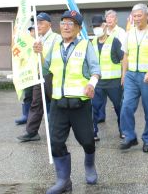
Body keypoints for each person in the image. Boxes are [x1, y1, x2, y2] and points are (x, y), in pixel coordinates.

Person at [35, 10, 101, 193]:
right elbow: (45, 68)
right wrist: (39, 55)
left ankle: (89, 166)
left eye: (71, 24)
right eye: (63, 23)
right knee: (56, 143)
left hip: (80, 103)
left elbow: (96, 69)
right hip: (58, 103)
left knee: (87, 140)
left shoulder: (85, 45)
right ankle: (64, 180)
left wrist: (92, 84)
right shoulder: (55, 47)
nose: (66, 26)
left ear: (78, 28)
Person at [120, 3, 148, 152]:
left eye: (139, 15)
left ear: (147, 16)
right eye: (135, 16)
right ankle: (130, 136)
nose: (137, 18)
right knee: (126, 106)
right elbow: (125, 55)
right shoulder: (129, 33)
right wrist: (124, 74)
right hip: (131, 76)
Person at [17, 12, 61, 141]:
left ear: (49, 24)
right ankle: (31, 132)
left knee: (55, 104)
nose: (38, 25)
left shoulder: (56, 38)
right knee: (36, 103)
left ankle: (58, 131)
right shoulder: (38, 38)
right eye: (36, 23)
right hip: (39, 75)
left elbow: (56, 58)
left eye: (41, 23)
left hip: (52, 75)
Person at [91, 14, 124, 141]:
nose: (96, 29)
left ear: (104, 26)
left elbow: (123, 59)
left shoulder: (114, 41)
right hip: (97, 82)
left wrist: (124, 76)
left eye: (98, 26)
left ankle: (123, 131)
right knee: (93, 107)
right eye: (94, 27)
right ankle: (93, 132)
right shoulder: (92, 42)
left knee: (119, 107)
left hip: (113, 82)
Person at [14, 24, 36, 125]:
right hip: (29, 74)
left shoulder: (43, 41)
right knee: (28, 95)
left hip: (42, 74)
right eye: (31, 30)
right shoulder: (25, 43)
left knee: (46, 97)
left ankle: (49, 117)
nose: (32, 32)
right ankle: (26, 116)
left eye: (34, 30)